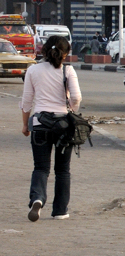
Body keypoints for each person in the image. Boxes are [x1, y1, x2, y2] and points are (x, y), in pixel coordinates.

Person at [21, 35, 82, 222]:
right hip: (63, 125)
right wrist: (72, 110)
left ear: (45, 50)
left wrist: (25, 124)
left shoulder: (33, 70)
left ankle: (37, 199)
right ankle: (60, 211)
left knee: (40, 167)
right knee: (63, 170)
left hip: (40, 125)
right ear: (65, 54)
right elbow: (77, 98)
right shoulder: (68, 70)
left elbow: (26, 102)